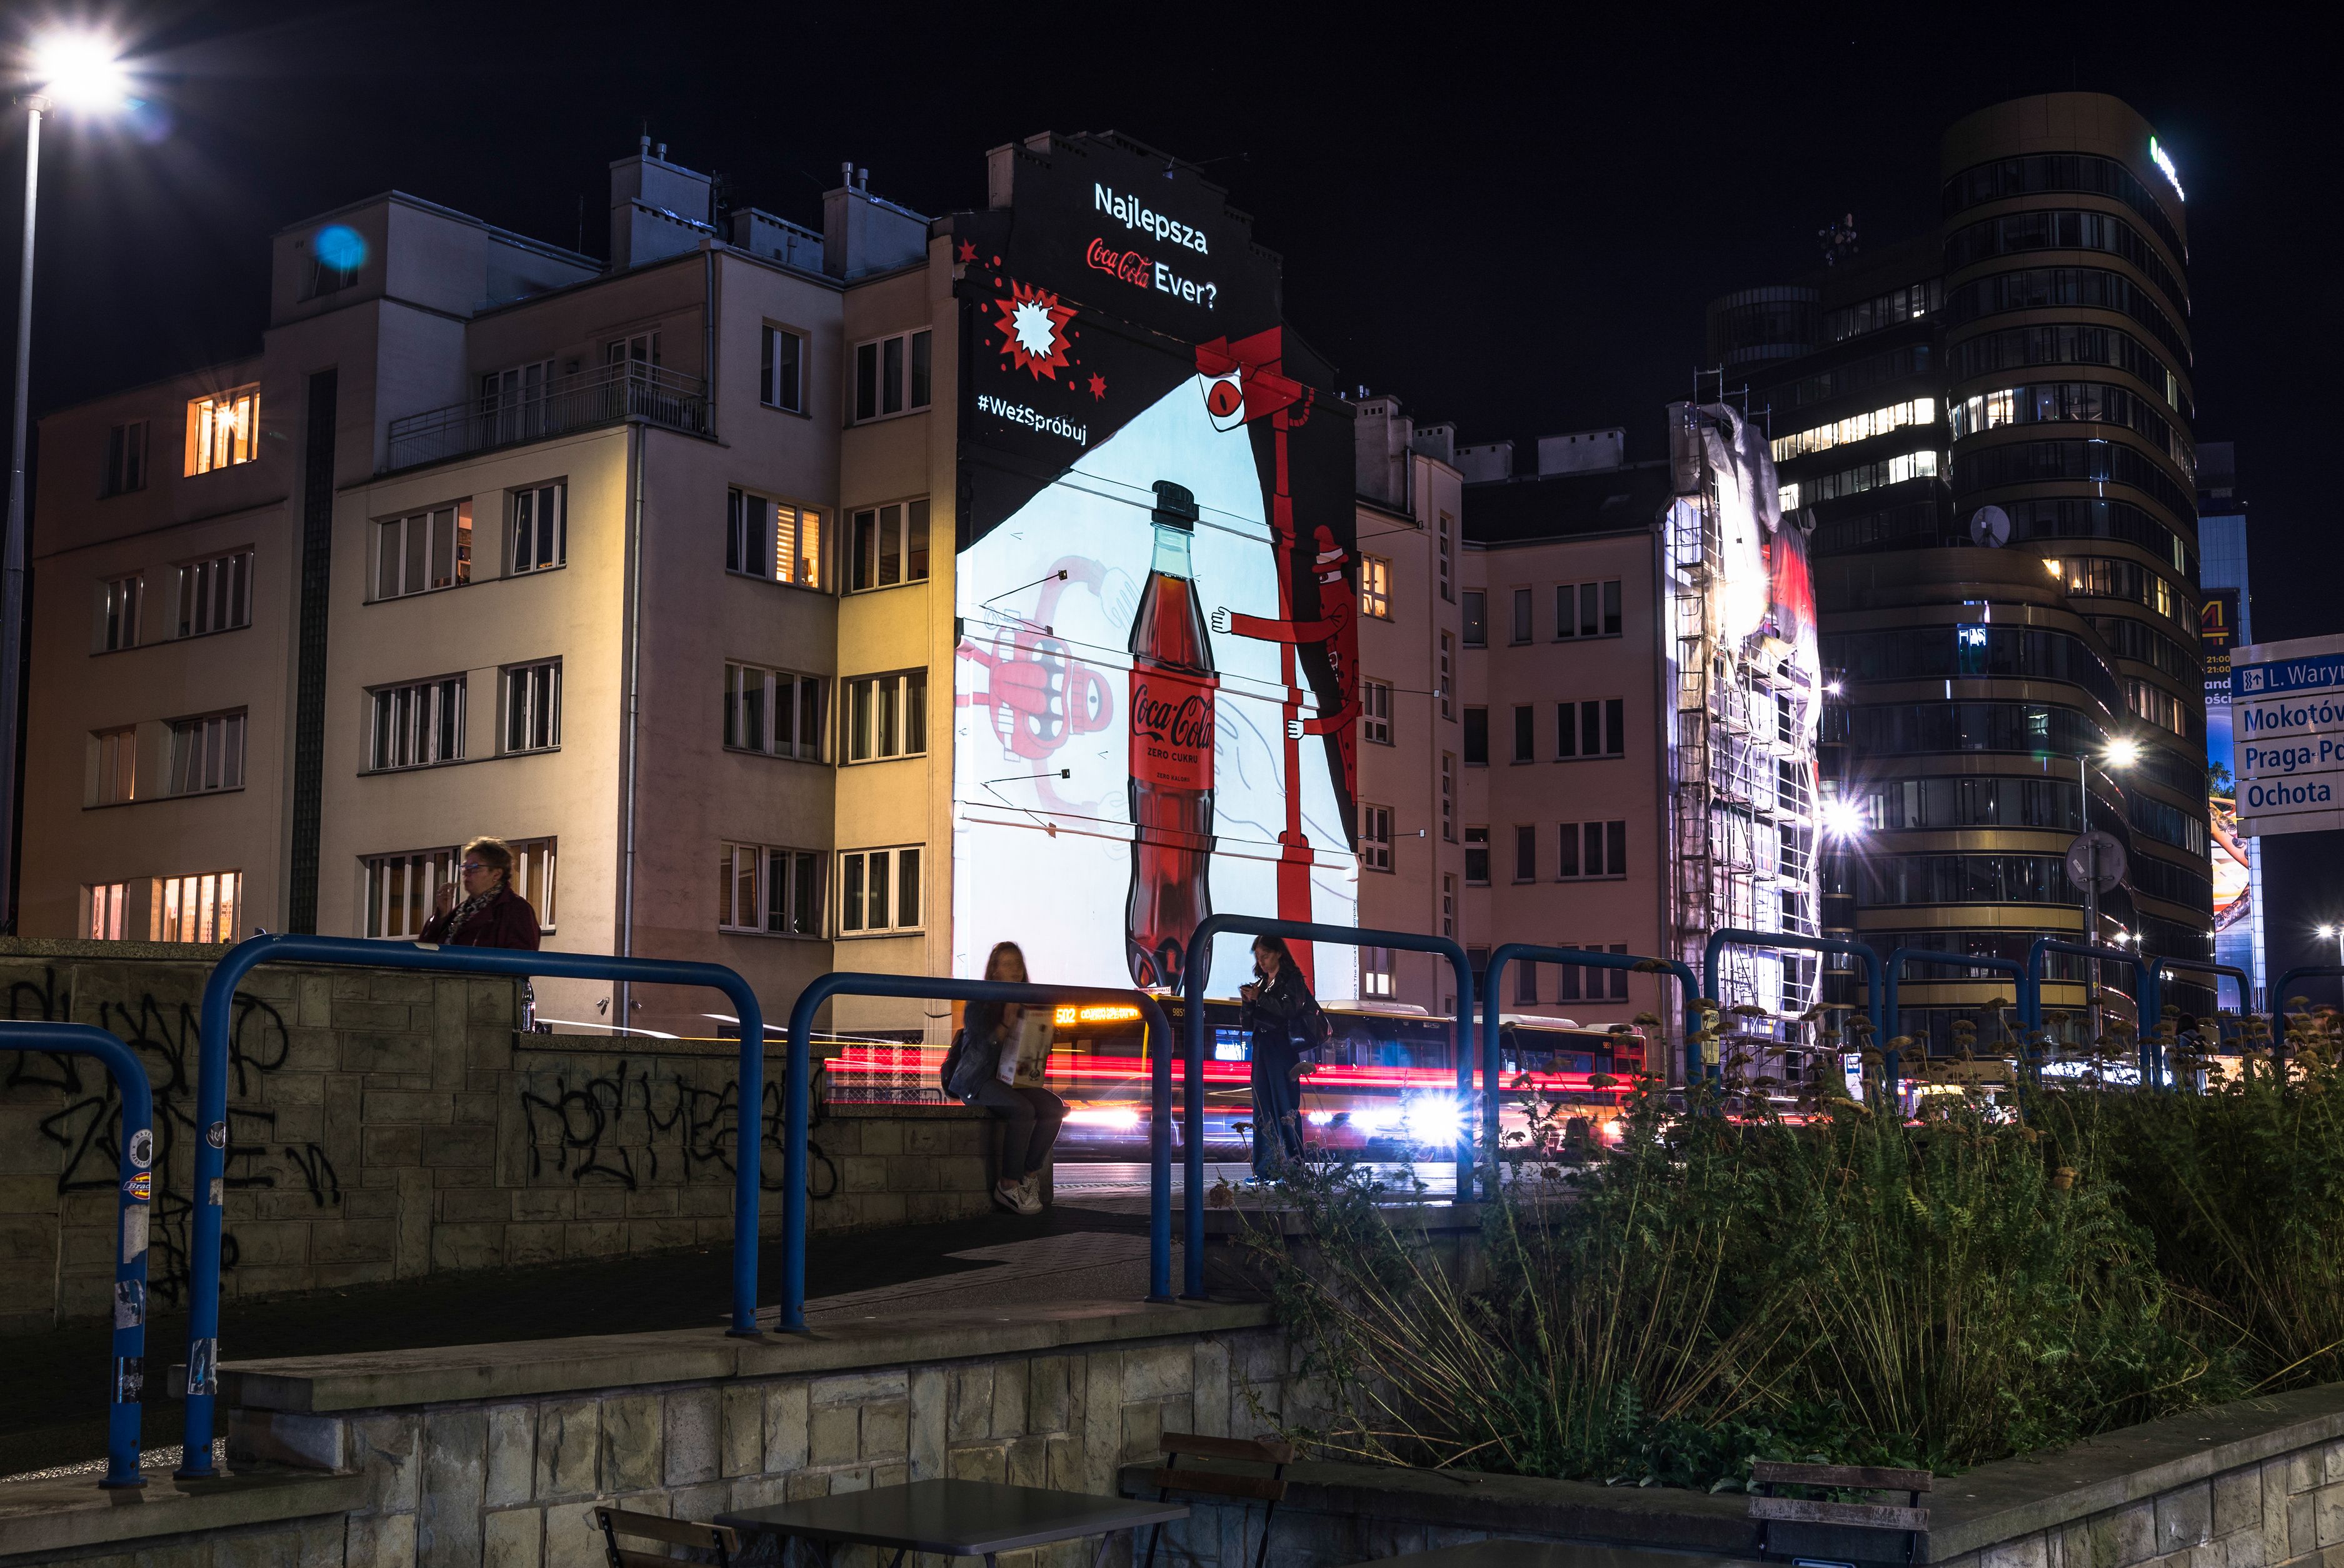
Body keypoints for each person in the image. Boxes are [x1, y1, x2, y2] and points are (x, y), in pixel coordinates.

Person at [947, 941, 1066, 1215]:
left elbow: (1034, 1051)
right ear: (994, 971)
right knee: (1022, 1110)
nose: (1015, 970)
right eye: (1007, 964)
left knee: (1053, 1108)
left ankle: (1029, 1175)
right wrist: (1006, 1021)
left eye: (1018, 964)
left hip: (1013, 1079)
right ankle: (1008, 1185)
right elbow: (981, 1048)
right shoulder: (979, 1002)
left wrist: (1044, 1034)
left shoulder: (1030, 1000)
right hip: (977, 1080)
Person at [1240, 935, 1317, 1180]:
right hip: (1262, 1047)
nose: (1261, 962)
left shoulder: (1291, 980)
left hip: (1283, 1048)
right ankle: (1265, 1169)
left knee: (1285, 1106)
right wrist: (1248, 1004)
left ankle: (1293, 1167)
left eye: (1265, 955)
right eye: (1258, 957)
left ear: (1279, 953)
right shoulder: (1262, 982)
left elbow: (1289, 1010)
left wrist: (1259, 998)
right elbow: (1248, 1022)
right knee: (1262, 1108)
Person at [419, 837, 543, 949]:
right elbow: (424, 951)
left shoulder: (516, 909)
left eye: (474, 867)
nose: (466, 872)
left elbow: (521, 960)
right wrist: (441, 916)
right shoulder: (460, 911)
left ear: (496, 874)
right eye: (465, 867)